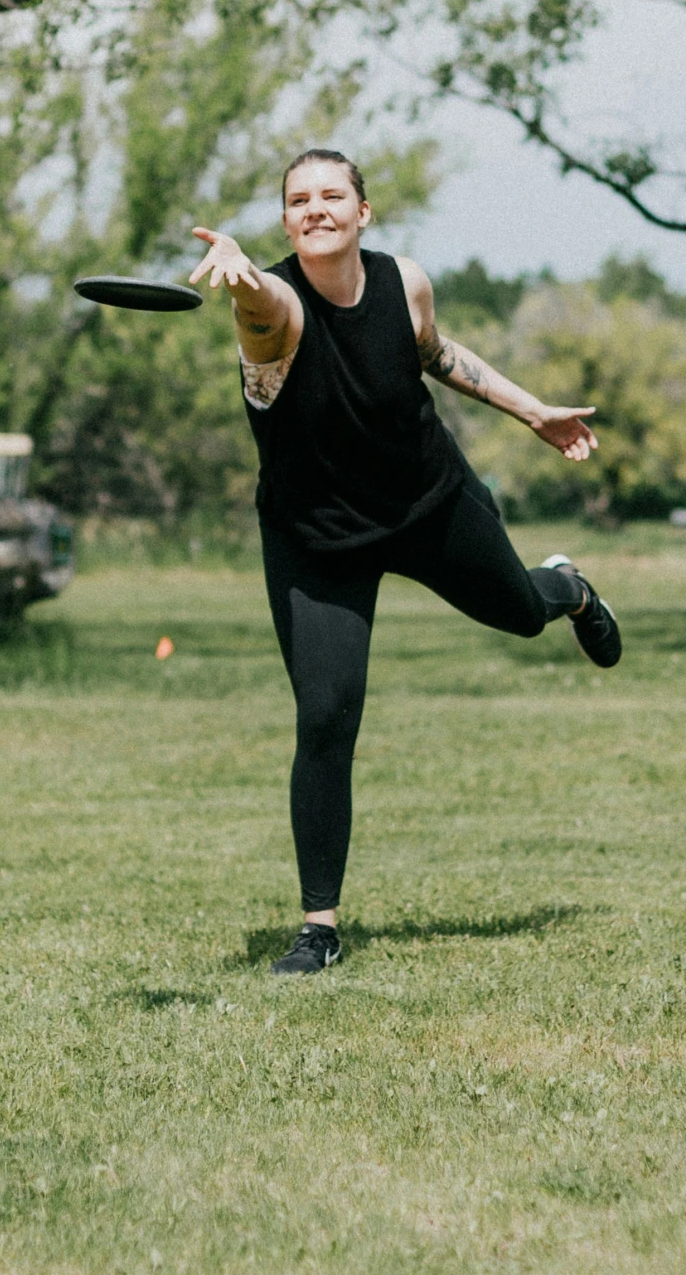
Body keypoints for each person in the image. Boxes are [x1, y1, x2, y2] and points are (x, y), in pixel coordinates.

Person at [189, 149, 621, 976]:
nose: (316, 209)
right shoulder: (271, 310)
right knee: (326, 713)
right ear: (284, 223)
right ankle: (320, 925)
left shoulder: (404, 281)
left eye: (332, 195)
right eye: (298, 201)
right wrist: (240, 273)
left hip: (428, 503)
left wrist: (532, 411)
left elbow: (430, 348)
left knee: (521, 613)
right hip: (318, 538)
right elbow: (263, 306)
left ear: (363, 211)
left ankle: (568, 587)